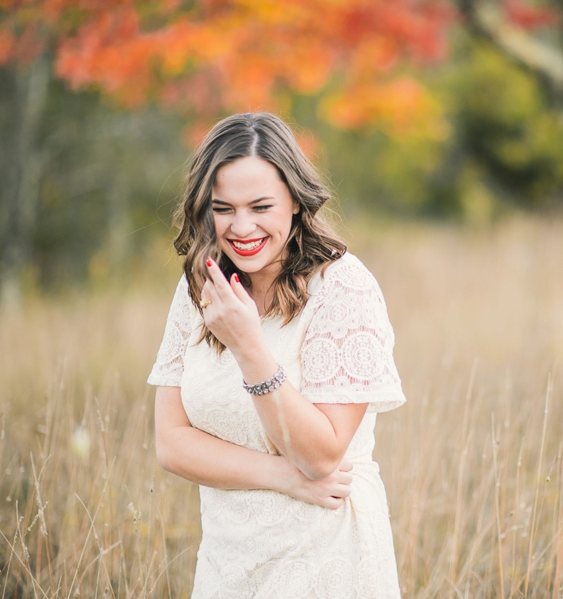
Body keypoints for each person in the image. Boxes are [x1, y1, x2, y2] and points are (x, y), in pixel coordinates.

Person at [147, 112, 406, 598]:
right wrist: (281, 477)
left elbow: (322, 453)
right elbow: (172, 444)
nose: (241, 227)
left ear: (294, 201)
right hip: (228, 562)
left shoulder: (342, 287)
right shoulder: (201, 289)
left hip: (326, 554)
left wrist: (249, 347)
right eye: (223, 208)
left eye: (260, 206)